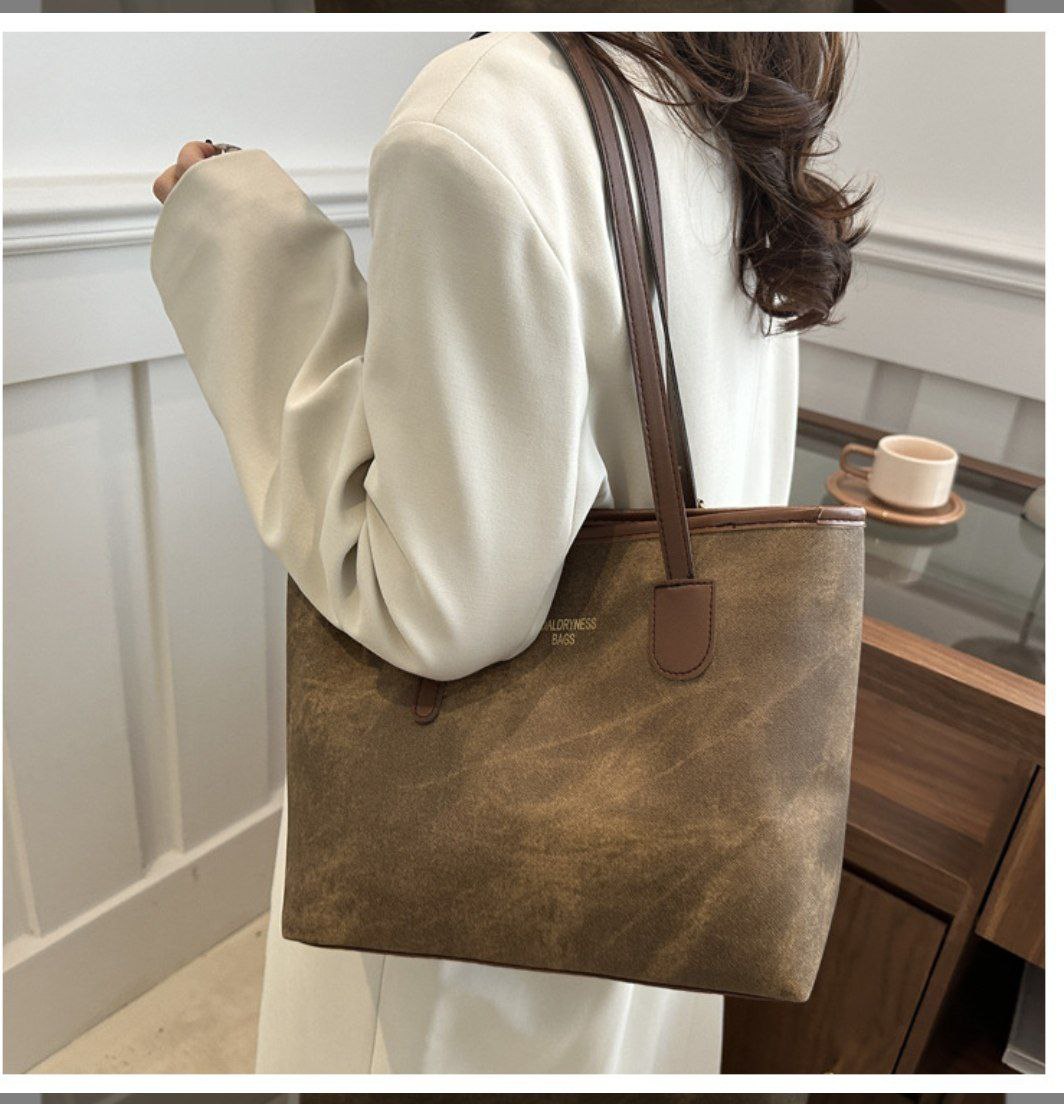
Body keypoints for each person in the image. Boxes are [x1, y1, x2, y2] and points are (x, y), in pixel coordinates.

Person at [151, 30, 867, 1074]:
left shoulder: (490, 109)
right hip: (661, 854)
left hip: (466, 932)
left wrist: (242, 248)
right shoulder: (718, 85)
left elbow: (437, 606)